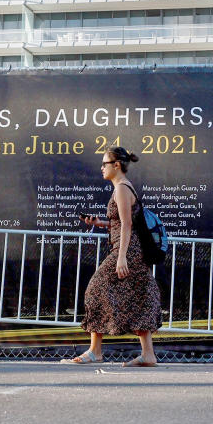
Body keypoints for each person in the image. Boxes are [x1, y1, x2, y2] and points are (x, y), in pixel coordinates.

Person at [65, 146, 162, 366]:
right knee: (140, 295)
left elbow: (128, 224)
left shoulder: (121, 188)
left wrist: (122, 257)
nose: (101, 168)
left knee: (95, 289)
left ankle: (95, 352)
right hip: (130, 250)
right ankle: (147, 354)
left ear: (116, 165)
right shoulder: (124, 188)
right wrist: (100, 223)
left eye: (104, 164)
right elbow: (121, 222)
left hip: (128, 250)